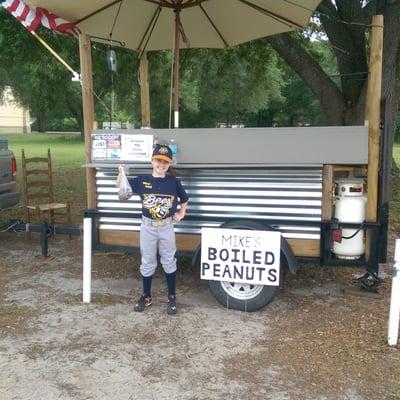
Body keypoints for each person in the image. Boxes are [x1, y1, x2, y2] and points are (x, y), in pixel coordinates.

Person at [116, 144, 188, 315]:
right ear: (152, 161)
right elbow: (120, 186)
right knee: (147, 261)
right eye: (158, 160)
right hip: (147, 227)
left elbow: (184, 198)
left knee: (169, 261)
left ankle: (171, 297)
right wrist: (121, 172)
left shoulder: (173, 181)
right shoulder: (142, 180)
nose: (161, 165)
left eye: (165, 162)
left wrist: (181, 213)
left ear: (169, 164)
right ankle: (146, 296)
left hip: (166, 227)